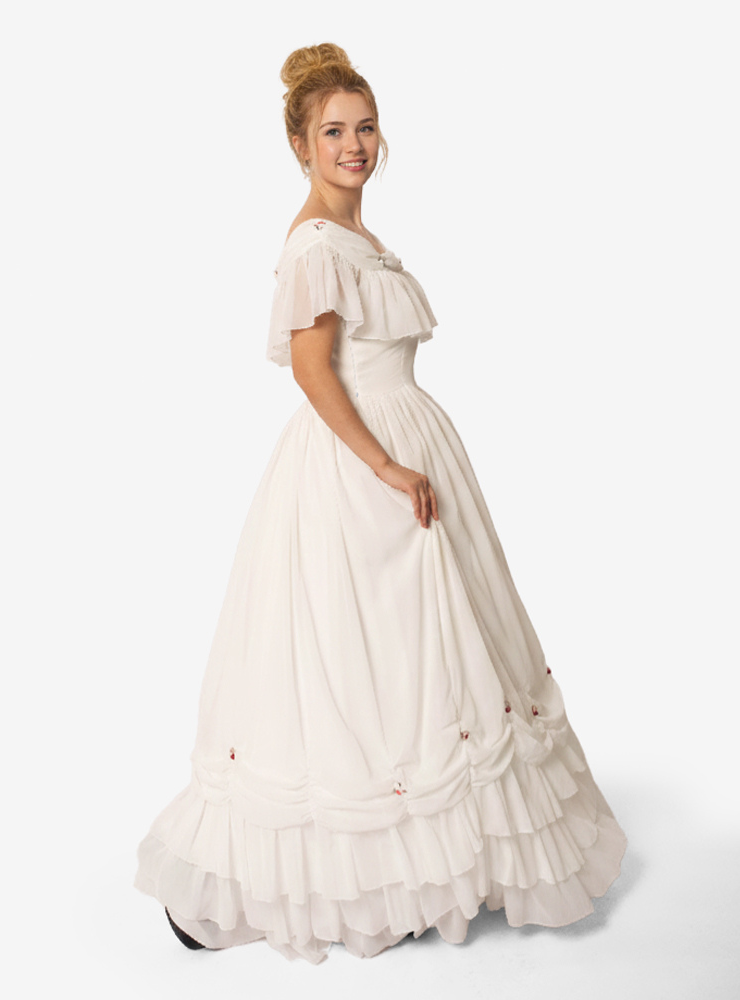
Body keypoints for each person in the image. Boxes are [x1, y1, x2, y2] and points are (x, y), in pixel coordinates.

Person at [134, 42, 627, 965]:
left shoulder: (356, 236)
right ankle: (310, 879)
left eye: (364, 128)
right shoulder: (316, 245)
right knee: (368, 661)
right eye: (333, 132)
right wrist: (384, 466)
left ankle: (421, 867)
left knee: (418, 659)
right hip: (358, 461)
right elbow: (314, 371)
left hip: (405, 440)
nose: (353, 145)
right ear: (300, 145)